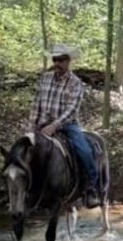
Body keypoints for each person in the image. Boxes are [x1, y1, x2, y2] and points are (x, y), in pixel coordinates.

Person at [28, 44, 100, 208]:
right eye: (55, 59)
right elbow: (36, 103)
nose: (58, 63)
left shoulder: (76, 83)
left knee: (85, 151)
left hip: (67, 124)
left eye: (61, 60)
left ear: (68, 61)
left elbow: (72, 109)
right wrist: (31, 125)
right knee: (22, 151)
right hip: (42, 124)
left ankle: (91, 189)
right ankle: (25, 190)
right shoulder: (44, 78)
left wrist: (55, 125)